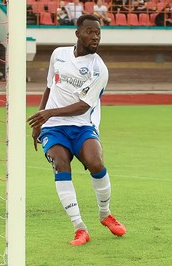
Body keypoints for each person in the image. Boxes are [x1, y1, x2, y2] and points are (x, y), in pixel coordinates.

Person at [28, 15, 127, 246]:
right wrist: (40, 120)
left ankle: (105, 214)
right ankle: (79, 228)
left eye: (98, 33)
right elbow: (49, 88)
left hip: (83, 125)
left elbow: (84, 105)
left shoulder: (99, 69)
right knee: (61, 165)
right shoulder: (58, 55)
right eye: (90, 32)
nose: (95, 37)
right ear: (77, 34)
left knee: (96, 162)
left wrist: (49, 113)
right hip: (53, 127)